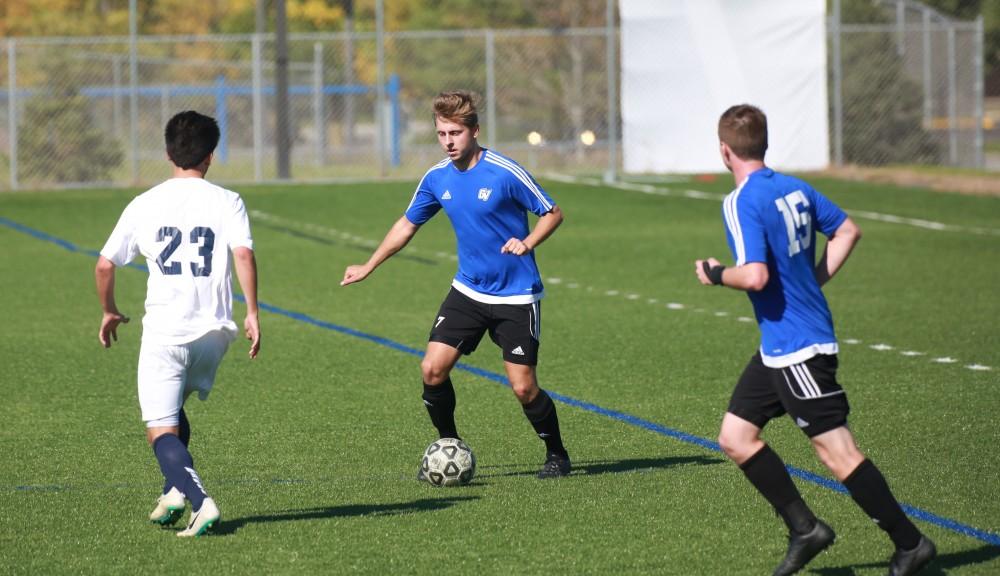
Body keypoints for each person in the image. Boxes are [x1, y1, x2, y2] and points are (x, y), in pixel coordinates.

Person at [694, 104, 936, 576]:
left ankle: (910, 543)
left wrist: (716, 273)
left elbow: (756, 275)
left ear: (725, 151)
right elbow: (847, 230)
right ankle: (806, 530)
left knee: (836, 451)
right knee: (736, 436)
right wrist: (813, 278)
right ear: (764, 143)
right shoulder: (795, 188)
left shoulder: (740, 201)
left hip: (799, 349)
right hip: (780, 346)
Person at [341, 90, 570, 479]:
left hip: (516, 296)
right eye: (442, 133)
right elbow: (407, 224)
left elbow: (552, 212)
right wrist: (370, 264)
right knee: (432, 369)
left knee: (523, 388)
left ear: (474, 131)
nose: (448, 141)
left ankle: (557, 454)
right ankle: (449, 445)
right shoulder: (436, 179)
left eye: (455, 133)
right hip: (468, 291)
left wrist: (528, 242)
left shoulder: (504, 172)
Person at [95, 110, 260, 537]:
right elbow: (243, 254)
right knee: (174, 409)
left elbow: (104, 264)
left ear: (168, 152)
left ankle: (201, 501)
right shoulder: (228, 200)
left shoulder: (144, 203)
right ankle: (172, 491)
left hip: (166, 335)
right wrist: (253, 313)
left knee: (159, 433)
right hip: (215, 334)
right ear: (210, 156)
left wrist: (110, 309)